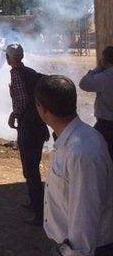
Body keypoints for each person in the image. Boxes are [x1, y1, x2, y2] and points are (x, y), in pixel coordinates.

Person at [35, 75, 113, 256]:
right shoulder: (70, 140)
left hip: (80, 250)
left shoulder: (82, 152)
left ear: (43, 109)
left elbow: (85, 215)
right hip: (65, 245)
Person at [5, 43, 50, 225]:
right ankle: (36, 203)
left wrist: (13, 115)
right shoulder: (30, 72)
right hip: (38, 125)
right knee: (34, 167)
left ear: (10, 58)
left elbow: (22, 100)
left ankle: (40, 214)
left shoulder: (16, 74)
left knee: (30, 170)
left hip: (28, 127)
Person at [79, 46, 113, 161]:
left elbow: (84, 83)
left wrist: (98, 67)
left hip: (107, 126)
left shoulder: (106, 77)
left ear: (105, 60)